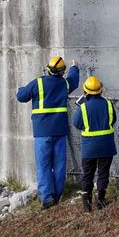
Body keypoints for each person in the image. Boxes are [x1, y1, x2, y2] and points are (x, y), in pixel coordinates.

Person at [16, 56, 79, 209]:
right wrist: (75, 67)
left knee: (43, 164)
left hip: (42, 132)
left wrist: (20, 89)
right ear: (62, 72)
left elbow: (21, 96)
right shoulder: (64, 84)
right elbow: (74, 80)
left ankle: (47, 197)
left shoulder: (38, 83)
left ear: (48, 69)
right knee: (59, 164)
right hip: (60, 130)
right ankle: (57, 195)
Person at [72, 76, 117, 212]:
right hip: (106, 145)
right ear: (100, 90)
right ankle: (100, 201)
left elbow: (77, 123)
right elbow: (113, 120)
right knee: (103, 173)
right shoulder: (108, 104)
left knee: (88, 174)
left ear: (85, 92)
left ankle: (87, 205)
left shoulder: (83, 107)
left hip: (89, 148)